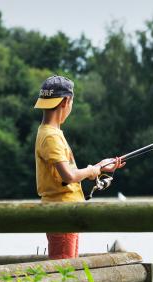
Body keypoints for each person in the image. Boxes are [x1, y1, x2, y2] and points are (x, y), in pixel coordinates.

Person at [34, 75, 125, 260]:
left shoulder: (50, 132)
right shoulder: (51, 136)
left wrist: (99, 167)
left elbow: (69, 174)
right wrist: (92, 170)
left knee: (70, 269)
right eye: (72, 101)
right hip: (62, 214)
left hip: (66, 212)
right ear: (66, 101)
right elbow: (68, 176)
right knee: (64, 273)